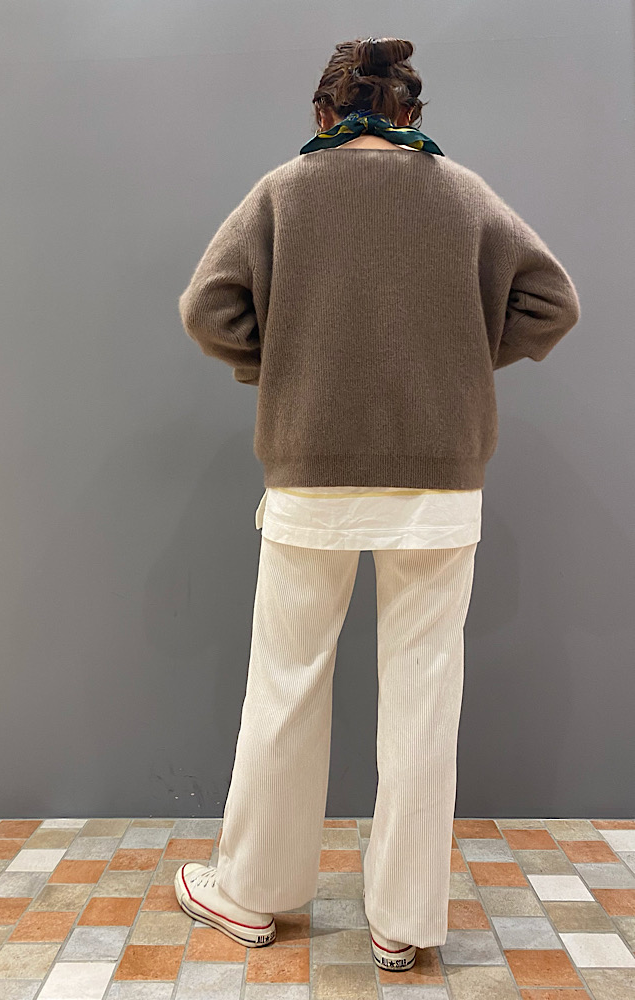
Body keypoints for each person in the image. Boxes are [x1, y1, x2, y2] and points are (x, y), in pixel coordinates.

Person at [173, 35, 581, 972]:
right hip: (440, 485)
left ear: (324, 111)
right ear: (410, 112)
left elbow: (209, 308)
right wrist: (457, 357)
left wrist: (285, 364)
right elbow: (551, 303)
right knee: (424, 700)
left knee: (286, 684)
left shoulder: (284, 192)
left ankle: (251, 895)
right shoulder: (464, 195)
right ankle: (404, 922)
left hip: (310, 476)